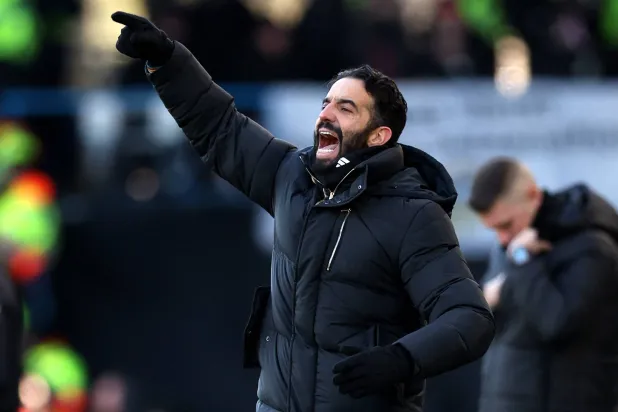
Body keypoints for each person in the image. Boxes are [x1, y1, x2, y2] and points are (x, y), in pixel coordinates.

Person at [111, 11, 495, 412]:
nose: (326, 114)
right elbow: (221, 126)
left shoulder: (414, 215)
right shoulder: (291, 174)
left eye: (346, 108)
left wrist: (401, 358)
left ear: (379, 136)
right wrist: (168, 60)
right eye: (326, 104)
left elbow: (470, 318)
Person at [469, 157, 618, 412]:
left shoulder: (593, 247)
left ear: (533, 195)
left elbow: (556, 323)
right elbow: (488, 324)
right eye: (493, 229)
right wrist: (487, 299)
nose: (502, 239)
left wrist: (522, 263)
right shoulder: (513, 245)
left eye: (506, 225)